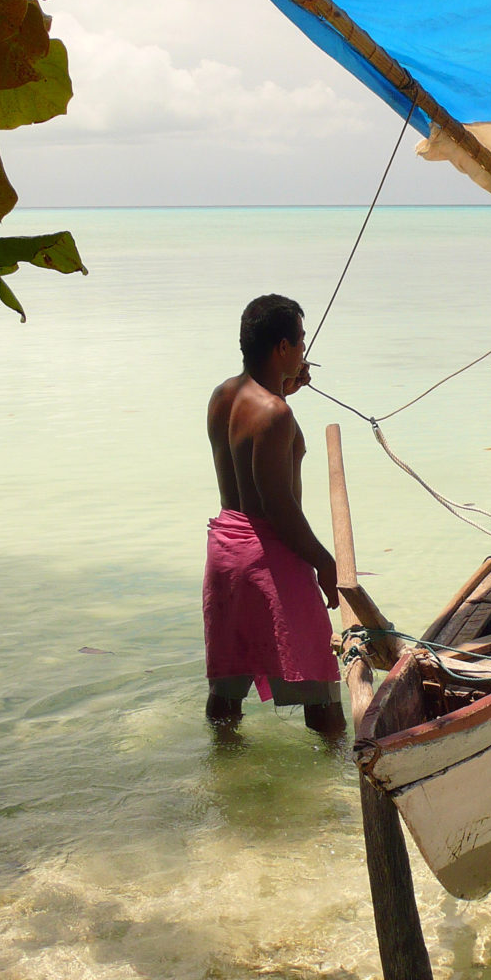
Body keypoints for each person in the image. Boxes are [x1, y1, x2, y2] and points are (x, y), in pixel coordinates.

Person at [203, 294, 344, 742]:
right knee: (321, 694)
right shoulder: (276, 413)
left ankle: (222, 776)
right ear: (282, 347)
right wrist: (324, 562)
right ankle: (337, 788)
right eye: (300, 342)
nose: (304, 352)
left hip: (226, 552)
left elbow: (248, 462)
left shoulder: (223, 396)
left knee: (226, 692)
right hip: (270, 558)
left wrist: (283, 386)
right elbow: (276, 505)